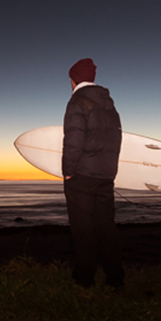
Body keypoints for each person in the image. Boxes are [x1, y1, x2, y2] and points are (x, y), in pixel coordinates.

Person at [62, 57, 124, 289]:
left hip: (82, 176)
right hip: (105, 175)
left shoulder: (77, 101)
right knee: (107, 228)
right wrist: (110, 170)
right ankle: (115, 279)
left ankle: (84, 278)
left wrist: (68, 171)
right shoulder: (109, 105)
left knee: (83, 229)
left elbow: (73, 140)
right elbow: (115, 139)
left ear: (73, 80)